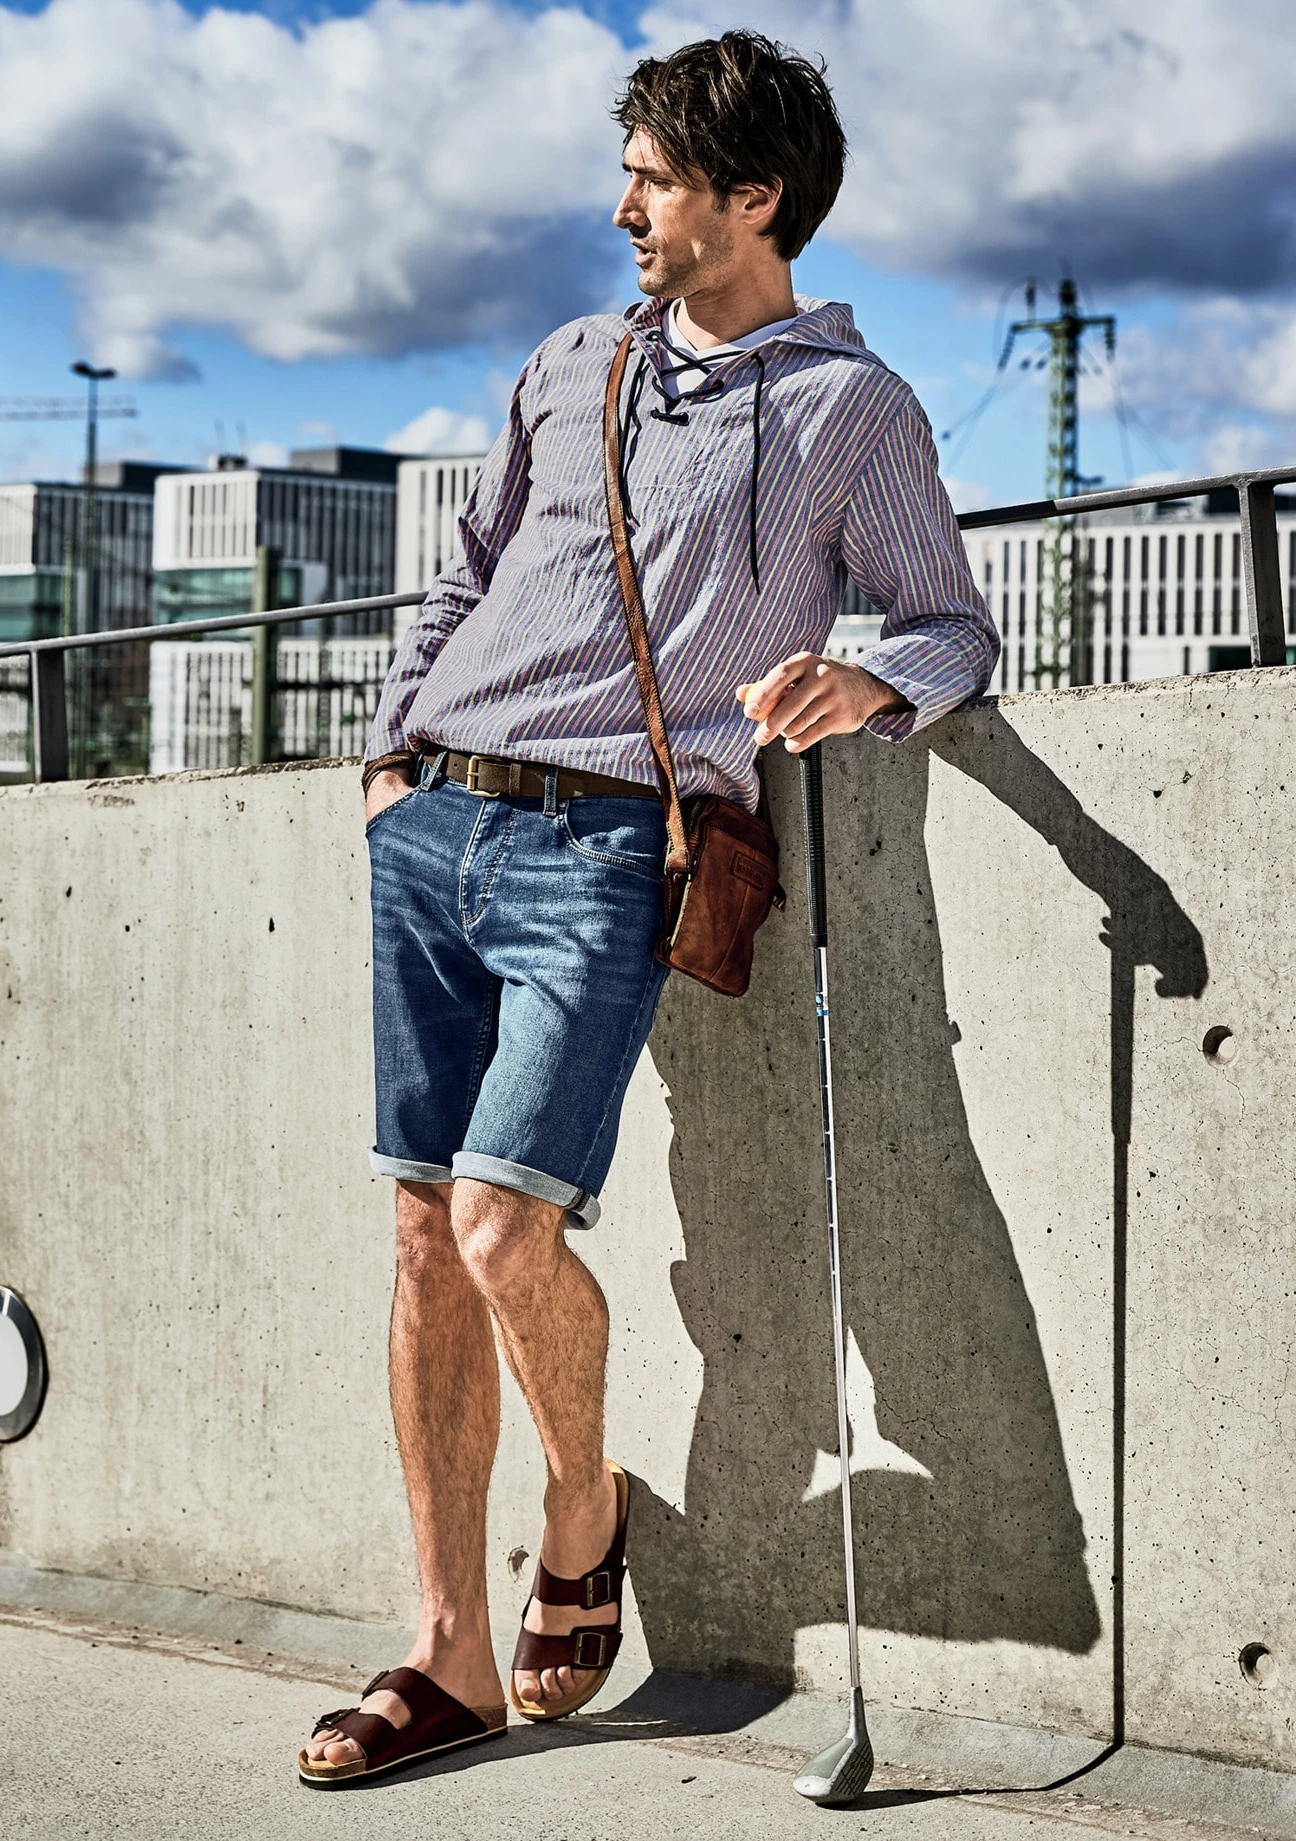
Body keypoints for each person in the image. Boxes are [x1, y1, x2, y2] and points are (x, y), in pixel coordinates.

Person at [299, 28, 998, 1787]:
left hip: (613, 849)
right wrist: (387, 758)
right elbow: (467, 573)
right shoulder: (571, 361)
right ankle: (446, 1651)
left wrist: (866, 683)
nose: (624, 208)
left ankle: (584, 1505)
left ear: (755, 199)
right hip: (435, 823)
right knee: (419, 1235)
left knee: (501, 1228)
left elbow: (949, 625)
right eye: (627, 173)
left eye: (657, 179)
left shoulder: (851, 411)